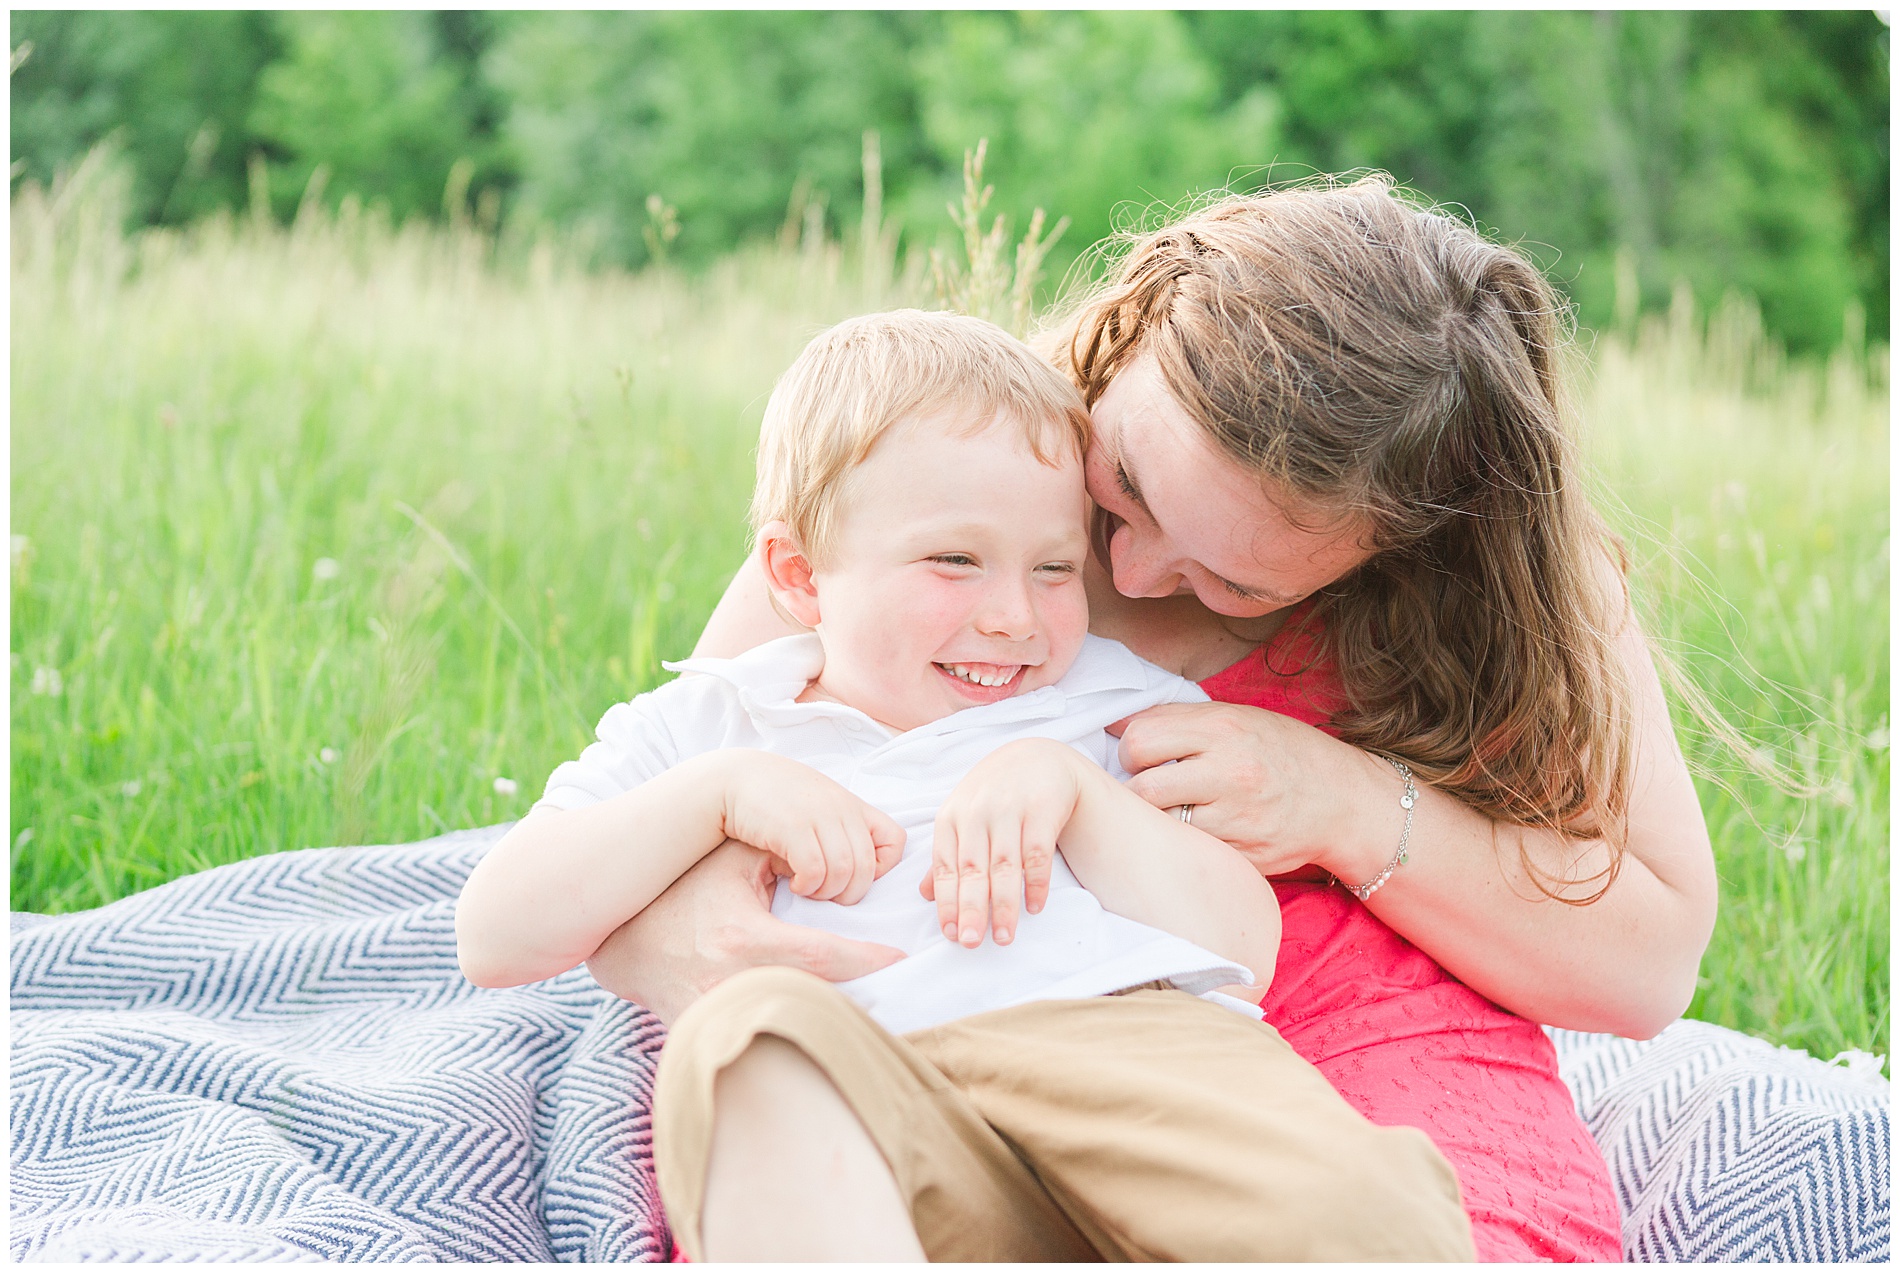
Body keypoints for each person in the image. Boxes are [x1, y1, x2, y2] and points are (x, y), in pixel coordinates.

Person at [593, 176, 1720, 1262]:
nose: (1123, 572)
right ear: (1130, 327)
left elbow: (1646, 964)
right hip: (950, 1029)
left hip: (1353, 1043)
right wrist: (673, 929)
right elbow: (695, 759)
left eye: (1240, 583)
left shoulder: (1500, 589)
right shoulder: (946, 459)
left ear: (1395, 545)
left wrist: (1344, 802)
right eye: (1122, 483)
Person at [456, 309, 1476, 1261]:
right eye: (955, 560)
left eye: (1053, 568)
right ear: (801, 577)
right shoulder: (712, 721)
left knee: (1367, 1209)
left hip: (1132, 1064)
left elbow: (1240, 945)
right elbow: (495, 934)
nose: (1014, 618)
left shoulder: (1108, 702)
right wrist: (716, 793)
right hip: (881, 1099)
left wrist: (1076, 791)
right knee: (742, 1044)